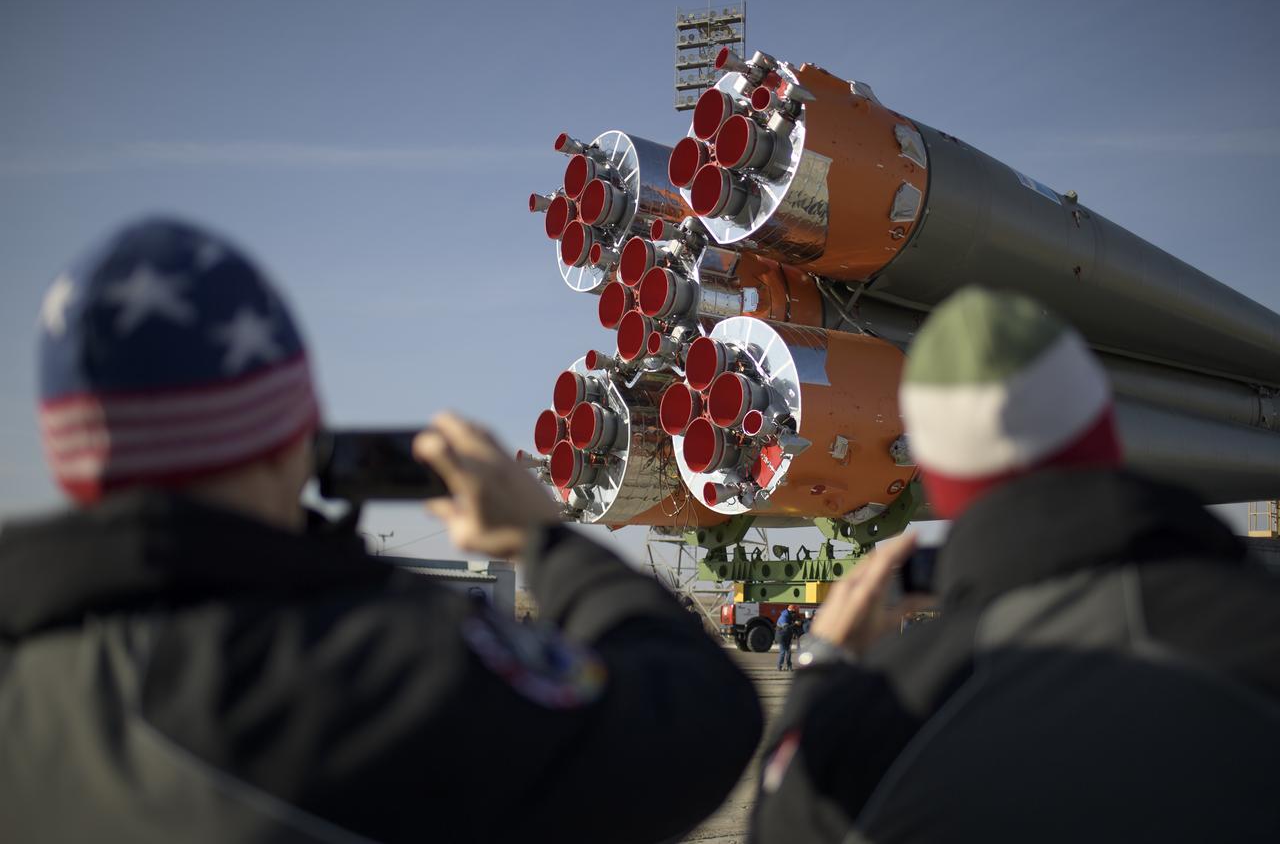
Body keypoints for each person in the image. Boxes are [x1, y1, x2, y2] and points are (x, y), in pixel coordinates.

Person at [0, 218, 763, 843]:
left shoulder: (26, 681)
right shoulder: (377, 671)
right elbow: (699, 720)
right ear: (293, 434)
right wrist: (543, 539)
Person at [750, 287, 1280, 843]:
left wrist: (823, 664)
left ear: (930, 471)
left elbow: (780, 826)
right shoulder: (1255, 629)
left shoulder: (882, 716)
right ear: (1102, 422)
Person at [776, 604, 800, 671]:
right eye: (795, 610)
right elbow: (786, 628)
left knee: (788, 651)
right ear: (792, 610)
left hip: (787, 636)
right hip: (782, 636)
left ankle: (789, 666)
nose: (795, 612)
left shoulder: (790, 615)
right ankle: (779, 666)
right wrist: (795, 624)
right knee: (783, 651)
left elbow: (793, 625)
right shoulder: (784, 616)